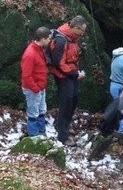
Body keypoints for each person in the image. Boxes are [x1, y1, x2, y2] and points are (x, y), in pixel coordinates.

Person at [49, 15, 87, 146]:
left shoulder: (72, 38)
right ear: (75, 28)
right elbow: (58, 63)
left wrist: (75, 73)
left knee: (74, 99)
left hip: (72, 73)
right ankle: (63, 136)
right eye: (82, 31)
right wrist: (73, 74)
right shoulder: (61, 40)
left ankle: (64, 124)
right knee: (66, 103)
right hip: (64, 76)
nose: (83, 33)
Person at [20, 26, 51, 137]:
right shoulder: (30, 54)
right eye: (48, 39)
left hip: (40, 87)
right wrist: (35, 89)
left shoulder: (39, 50)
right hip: (33, 89)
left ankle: (42, 133)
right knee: (33, 114)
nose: (49, 41)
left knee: (42, 111)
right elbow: (26, 75)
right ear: (42, 39)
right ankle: (34, 137)